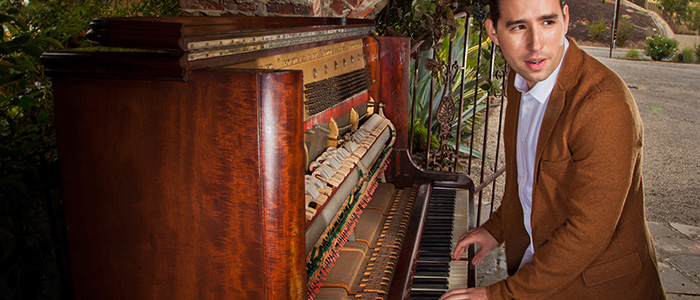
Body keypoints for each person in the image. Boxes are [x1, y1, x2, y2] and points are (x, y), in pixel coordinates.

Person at [439, 0, 666, 299]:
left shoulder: (603, 105)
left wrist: (500, 294)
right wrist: (497, 228)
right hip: (542, 276)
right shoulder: (520, 79)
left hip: (599, 288)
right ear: (493, 31)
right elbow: (526, 180)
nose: (536, 45)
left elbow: (587, 232)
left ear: (566, 18)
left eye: (548, 23)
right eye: (519, 27)